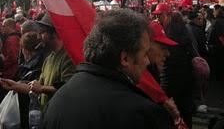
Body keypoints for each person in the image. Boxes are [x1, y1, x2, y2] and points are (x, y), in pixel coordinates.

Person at [43, 9, 173, 129]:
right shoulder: (139, 114)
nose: (147, 61)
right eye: (144, 54)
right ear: (125, 58)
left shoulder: (57, 100)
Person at [29, 13, 75, 110]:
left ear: (55, 34)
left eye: (42, 32)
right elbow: (38, 86)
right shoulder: (49, 58)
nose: (38, 37)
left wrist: (41, 88)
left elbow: (67, 89)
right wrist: (14, 85)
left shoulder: (68, 58)